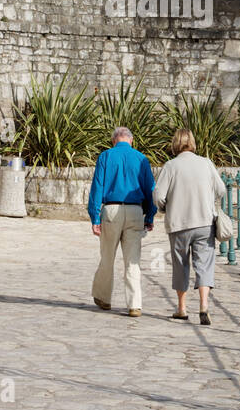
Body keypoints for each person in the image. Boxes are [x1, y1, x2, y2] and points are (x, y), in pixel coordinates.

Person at [152, 128, 226, 325]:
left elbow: (158, 195)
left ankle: (182, 308)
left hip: (179, 223)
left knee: (180, 265)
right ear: (192, 142)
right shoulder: (206, 163)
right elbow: (221, 189)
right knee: (204, 264)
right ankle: (204, 306)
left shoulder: (170, 166)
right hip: (204, 222)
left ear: (175, 143)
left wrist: (165, 208)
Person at [88, 126, 156, 317]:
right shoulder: (142, 158)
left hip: (111, 210)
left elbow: (97, 187)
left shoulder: (106, 156)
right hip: (135, 211)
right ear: (131, 141)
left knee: (107, 256)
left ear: (113, 141)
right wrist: (150, 215)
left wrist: (94, 216)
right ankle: (134, 304)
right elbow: (151, 189)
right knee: (132, 260)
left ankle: (104, 298)